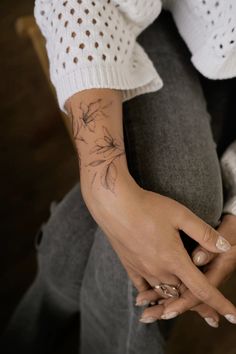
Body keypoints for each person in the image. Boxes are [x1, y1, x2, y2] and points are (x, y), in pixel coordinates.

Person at [1, 1, 236, 353]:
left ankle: (32, 327)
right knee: (182, 202)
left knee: (174, 226)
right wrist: (100, 173)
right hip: (138, 16)